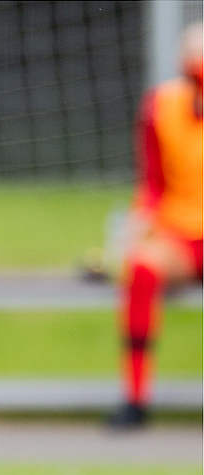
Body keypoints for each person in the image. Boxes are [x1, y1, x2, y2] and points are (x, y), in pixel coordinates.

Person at [110, 22, 203, 429]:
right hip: (179, 233)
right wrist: (134, 229)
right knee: (142, 268)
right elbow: (151, 184)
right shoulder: (161, 107)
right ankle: (136, 398)